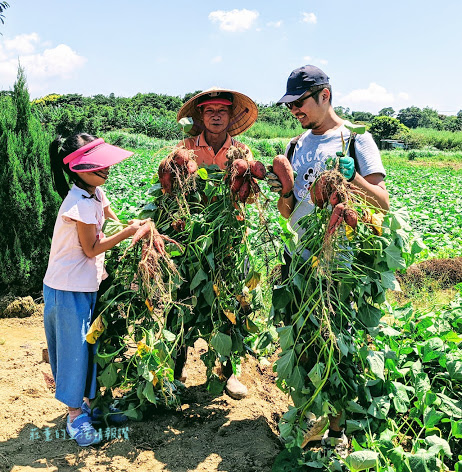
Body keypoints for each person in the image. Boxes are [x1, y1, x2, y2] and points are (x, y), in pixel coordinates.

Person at [268, 65, 389, 454]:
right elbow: (288, 212)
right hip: (300, 259)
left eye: (300, 103)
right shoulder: (295, 146)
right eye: (290, 106)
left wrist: (350, 179)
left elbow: (382, 204)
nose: (294, 111)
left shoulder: (356, 140)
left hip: (342, 264)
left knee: (337, 343)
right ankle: (306, 416)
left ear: (325, 95)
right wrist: (285, 189)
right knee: (302, 340)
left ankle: (336, 432)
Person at [43, 133, 151, 446]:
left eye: (105, 164)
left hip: (85, 285)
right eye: (97, 166)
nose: (105, 170)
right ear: (77, 169)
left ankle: (90, 405)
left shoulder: (95, 194)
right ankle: (75, 415)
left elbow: (112, 223)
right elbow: (91, 248)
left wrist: (136, 229)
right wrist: (127, 233)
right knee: (74, 349)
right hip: (66, 291)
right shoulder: (78, 203)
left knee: (89, 346)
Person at [172, 88, 258, 400]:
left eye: (223, 110)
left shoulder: (242, 152)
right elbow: (170, 191)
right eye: (210, 111)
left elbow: (250, 192)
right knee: (182, 298)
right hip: (192, 239)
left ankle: (228, 372)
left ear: (231, 116)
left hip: (229, 240)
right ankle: (176, 366)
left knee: (229, 304)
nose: (217, 116)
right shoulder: (185, 148)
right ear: (200, 117)